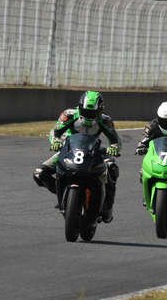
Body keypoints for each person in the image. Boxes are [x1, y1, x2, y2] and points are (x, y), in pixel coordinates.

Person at [32, 90, 121, 221]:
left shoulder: (105, 120)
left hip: (94, 152)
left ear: (100, 110)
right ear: (80, 107)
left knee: (111, 167)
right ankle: (65, 196)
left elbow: (115, 140)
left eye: (92, 113)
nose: (89, 115)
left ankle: (107, 207)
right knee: (39, 173)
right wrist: (55, 142)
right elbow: (54, 132)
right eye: (85, 111)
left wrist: (114, 148)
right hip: (69, 151)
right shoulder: (69, 115)